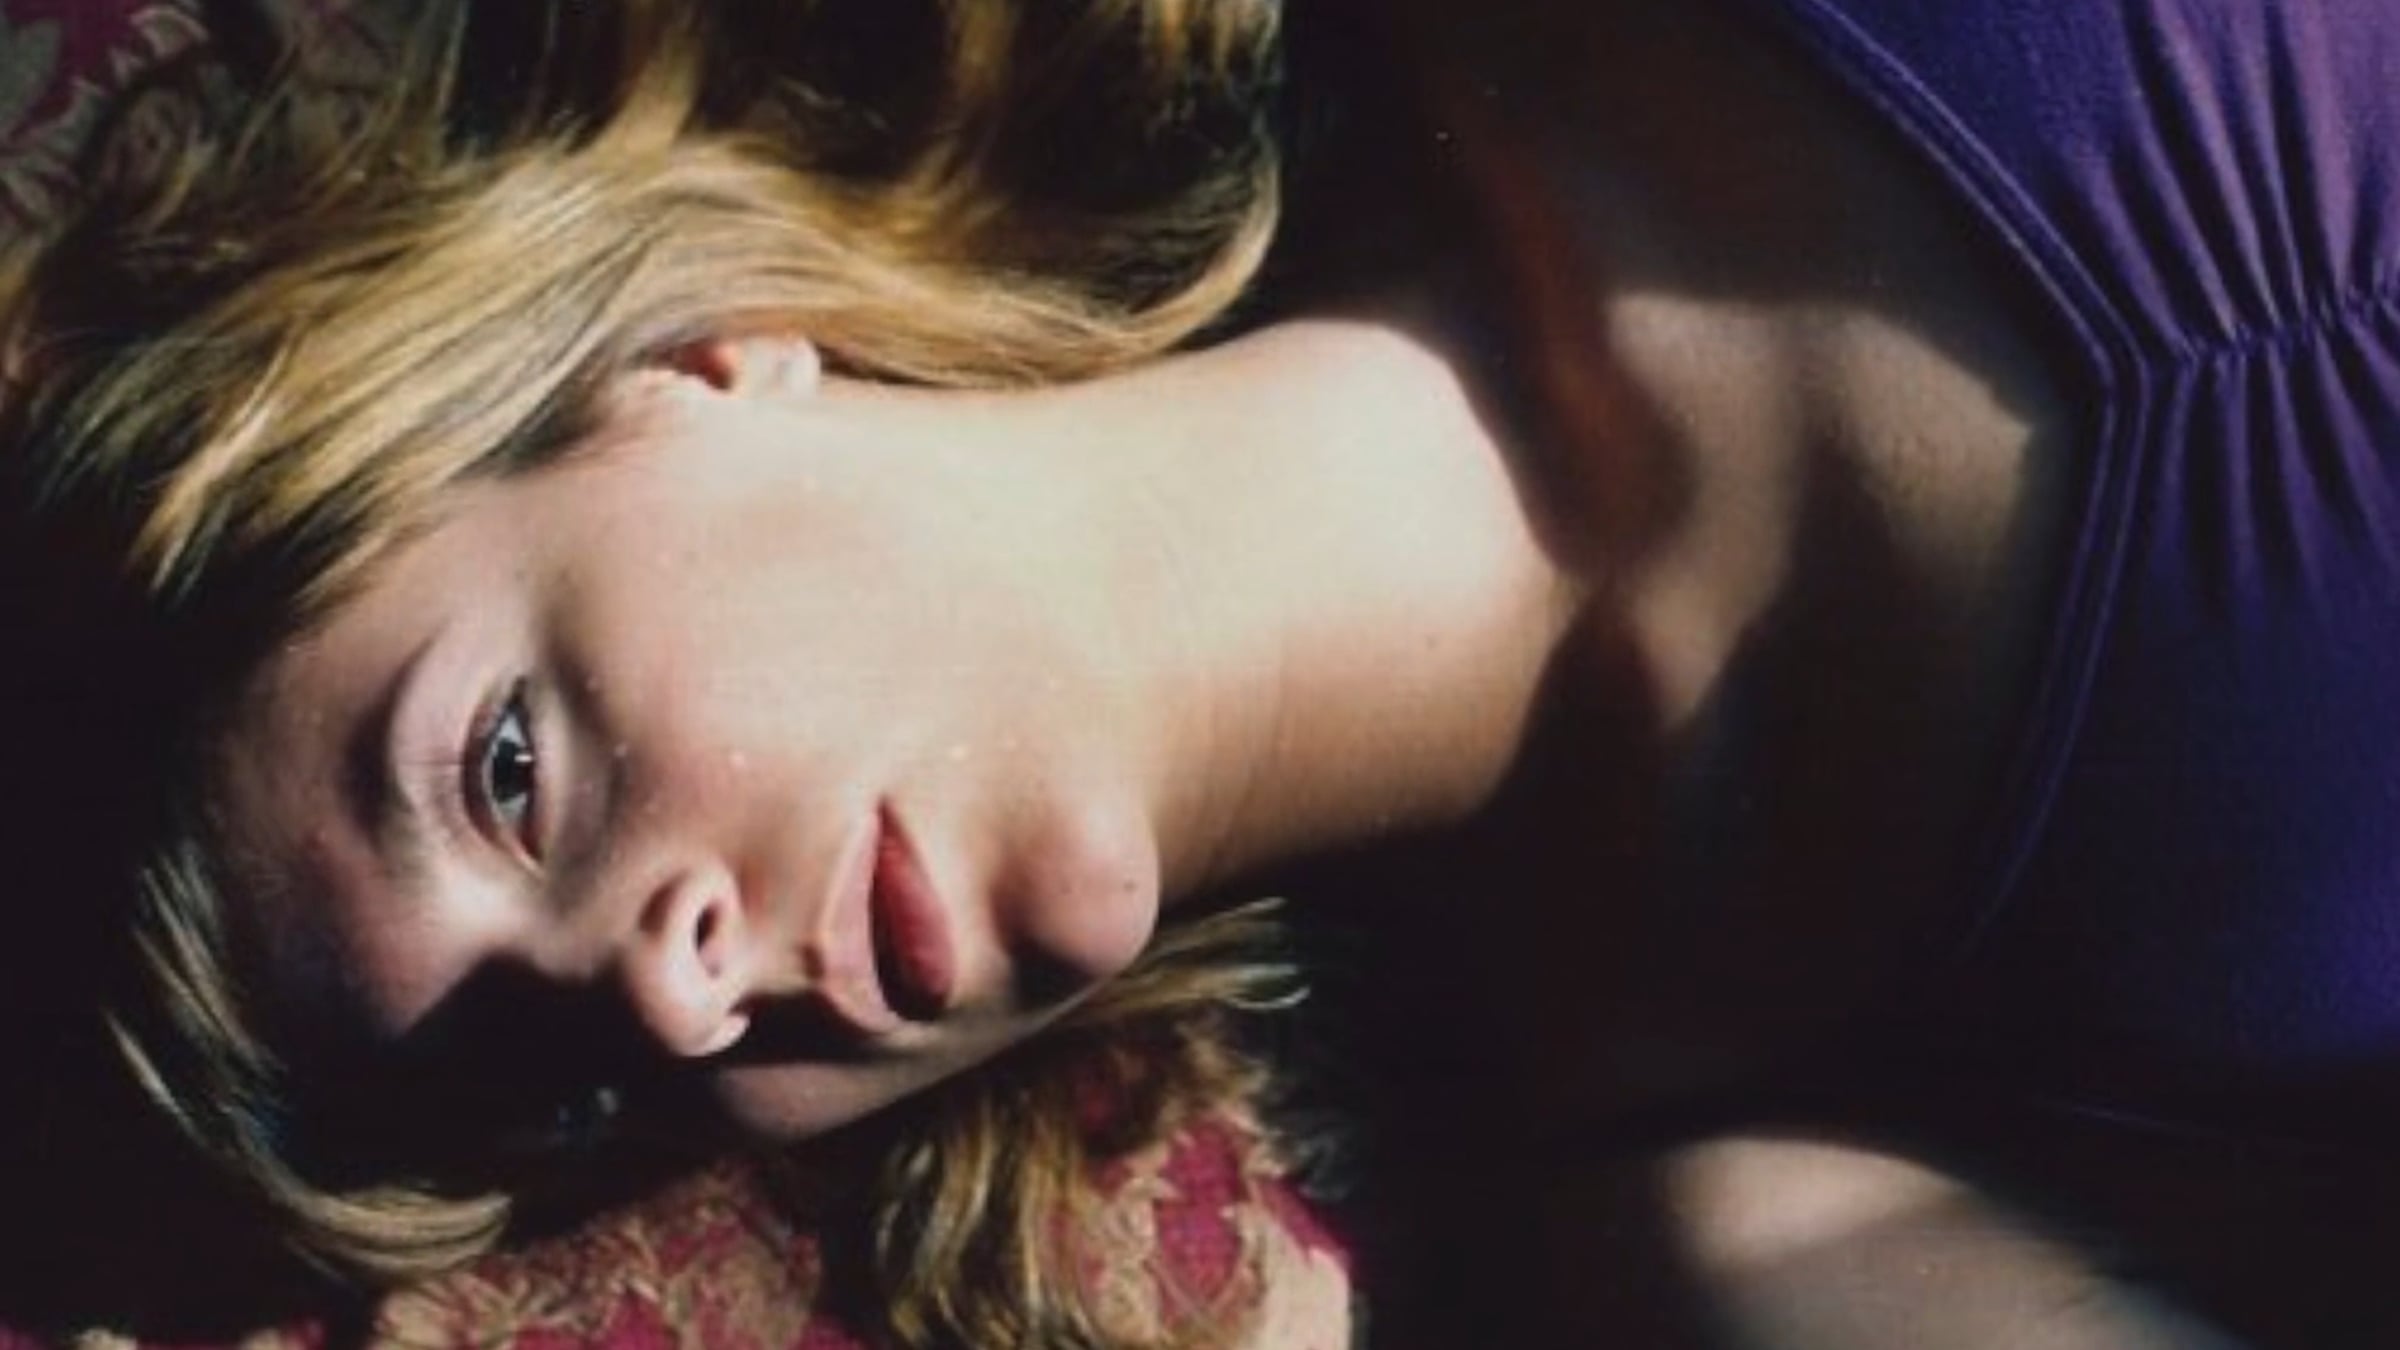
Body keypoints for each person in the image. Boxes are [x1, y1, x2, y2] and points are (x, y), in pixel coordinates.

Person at [4, 0, 2396, 1345]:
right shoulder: (1714, 1213)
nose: (674, 997)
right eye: (557, 1085)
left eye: (508, 772)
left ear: (680, 370)